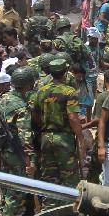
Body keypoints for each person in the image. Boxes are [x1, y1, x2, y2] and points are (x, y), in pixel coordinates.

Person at [32, 58, 83, 195]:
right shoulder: (69, 92)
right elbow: (73, 118)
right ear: (65, 72)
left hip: (45, 138)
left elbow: (35, 116)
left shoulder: (41, 92)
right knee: (70, 178)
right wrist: (80, 138)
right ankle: (68, 210)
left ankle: (50, 208)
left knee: (49, 178)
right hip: (64, 139)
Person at [0, 67, 36, 216]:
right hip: (17, 154)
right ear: (27, 85)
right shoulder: (21, 106)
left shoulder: (3, 99)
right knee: (17, 189)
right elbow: (26, 136)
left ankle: (7, 214)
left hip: (5, 150)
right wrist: (30, 159)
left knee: (7, 185)